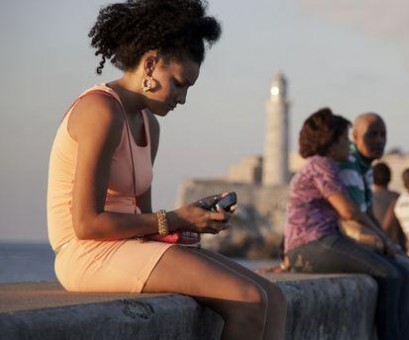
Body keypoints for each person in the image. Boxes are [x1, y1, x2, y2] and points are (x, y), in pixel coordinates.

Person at [46, 2, 286, 339]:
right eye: (178, 83)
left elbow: (144, 223)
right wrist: (176, 218)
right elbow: (87, 224)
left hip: (125, 246)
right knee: (247, 299)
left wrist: (189, 224)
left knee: (273, 297)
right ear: (149, 64)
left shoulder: (148, 125)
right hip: (86, 254)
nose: (183, 99)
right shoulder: (100, 111)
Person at [284, 108, 409, 340]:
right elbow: (348, 211)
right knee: (390, 274)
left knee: (397, 271)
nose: (348, 146)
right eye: (344, 139)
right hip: (312, 244)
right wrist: (382, 239)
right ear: (330, 142)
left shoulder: (321, 164)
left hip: (314, 243)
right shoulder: (322, 164)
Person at [338, 113, 409, 340]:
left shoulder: (364, 168)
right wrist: (384, 243)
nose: (379, 140)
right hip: (352, 242)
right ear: (354, 137)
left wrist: (388, 242)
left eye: (383, 135)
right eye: (372, 134)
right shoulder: (349, 165)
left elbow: (369, 213)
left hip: (364, 240)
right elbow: (354, 215)